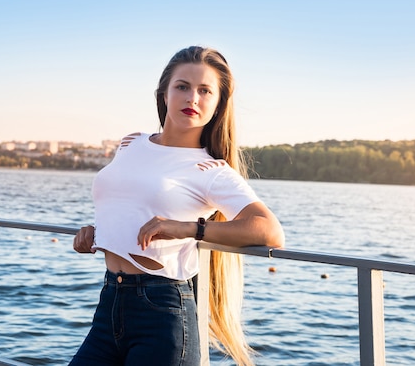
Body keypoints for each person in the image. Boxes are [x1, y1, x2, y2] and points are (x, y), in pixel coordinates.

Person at [69, 46, 284, 366]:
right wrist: (96, 232)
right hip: (110, 301)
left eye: (205, 91)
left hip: (162, 311)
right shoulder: (131, 144)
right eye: (182, 86)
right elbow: (128, 202)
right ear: (164, 93)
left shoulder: (211, 170)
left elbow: (270, 230)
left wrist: (187, 228)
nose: (192, 98)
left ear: (218, 104)